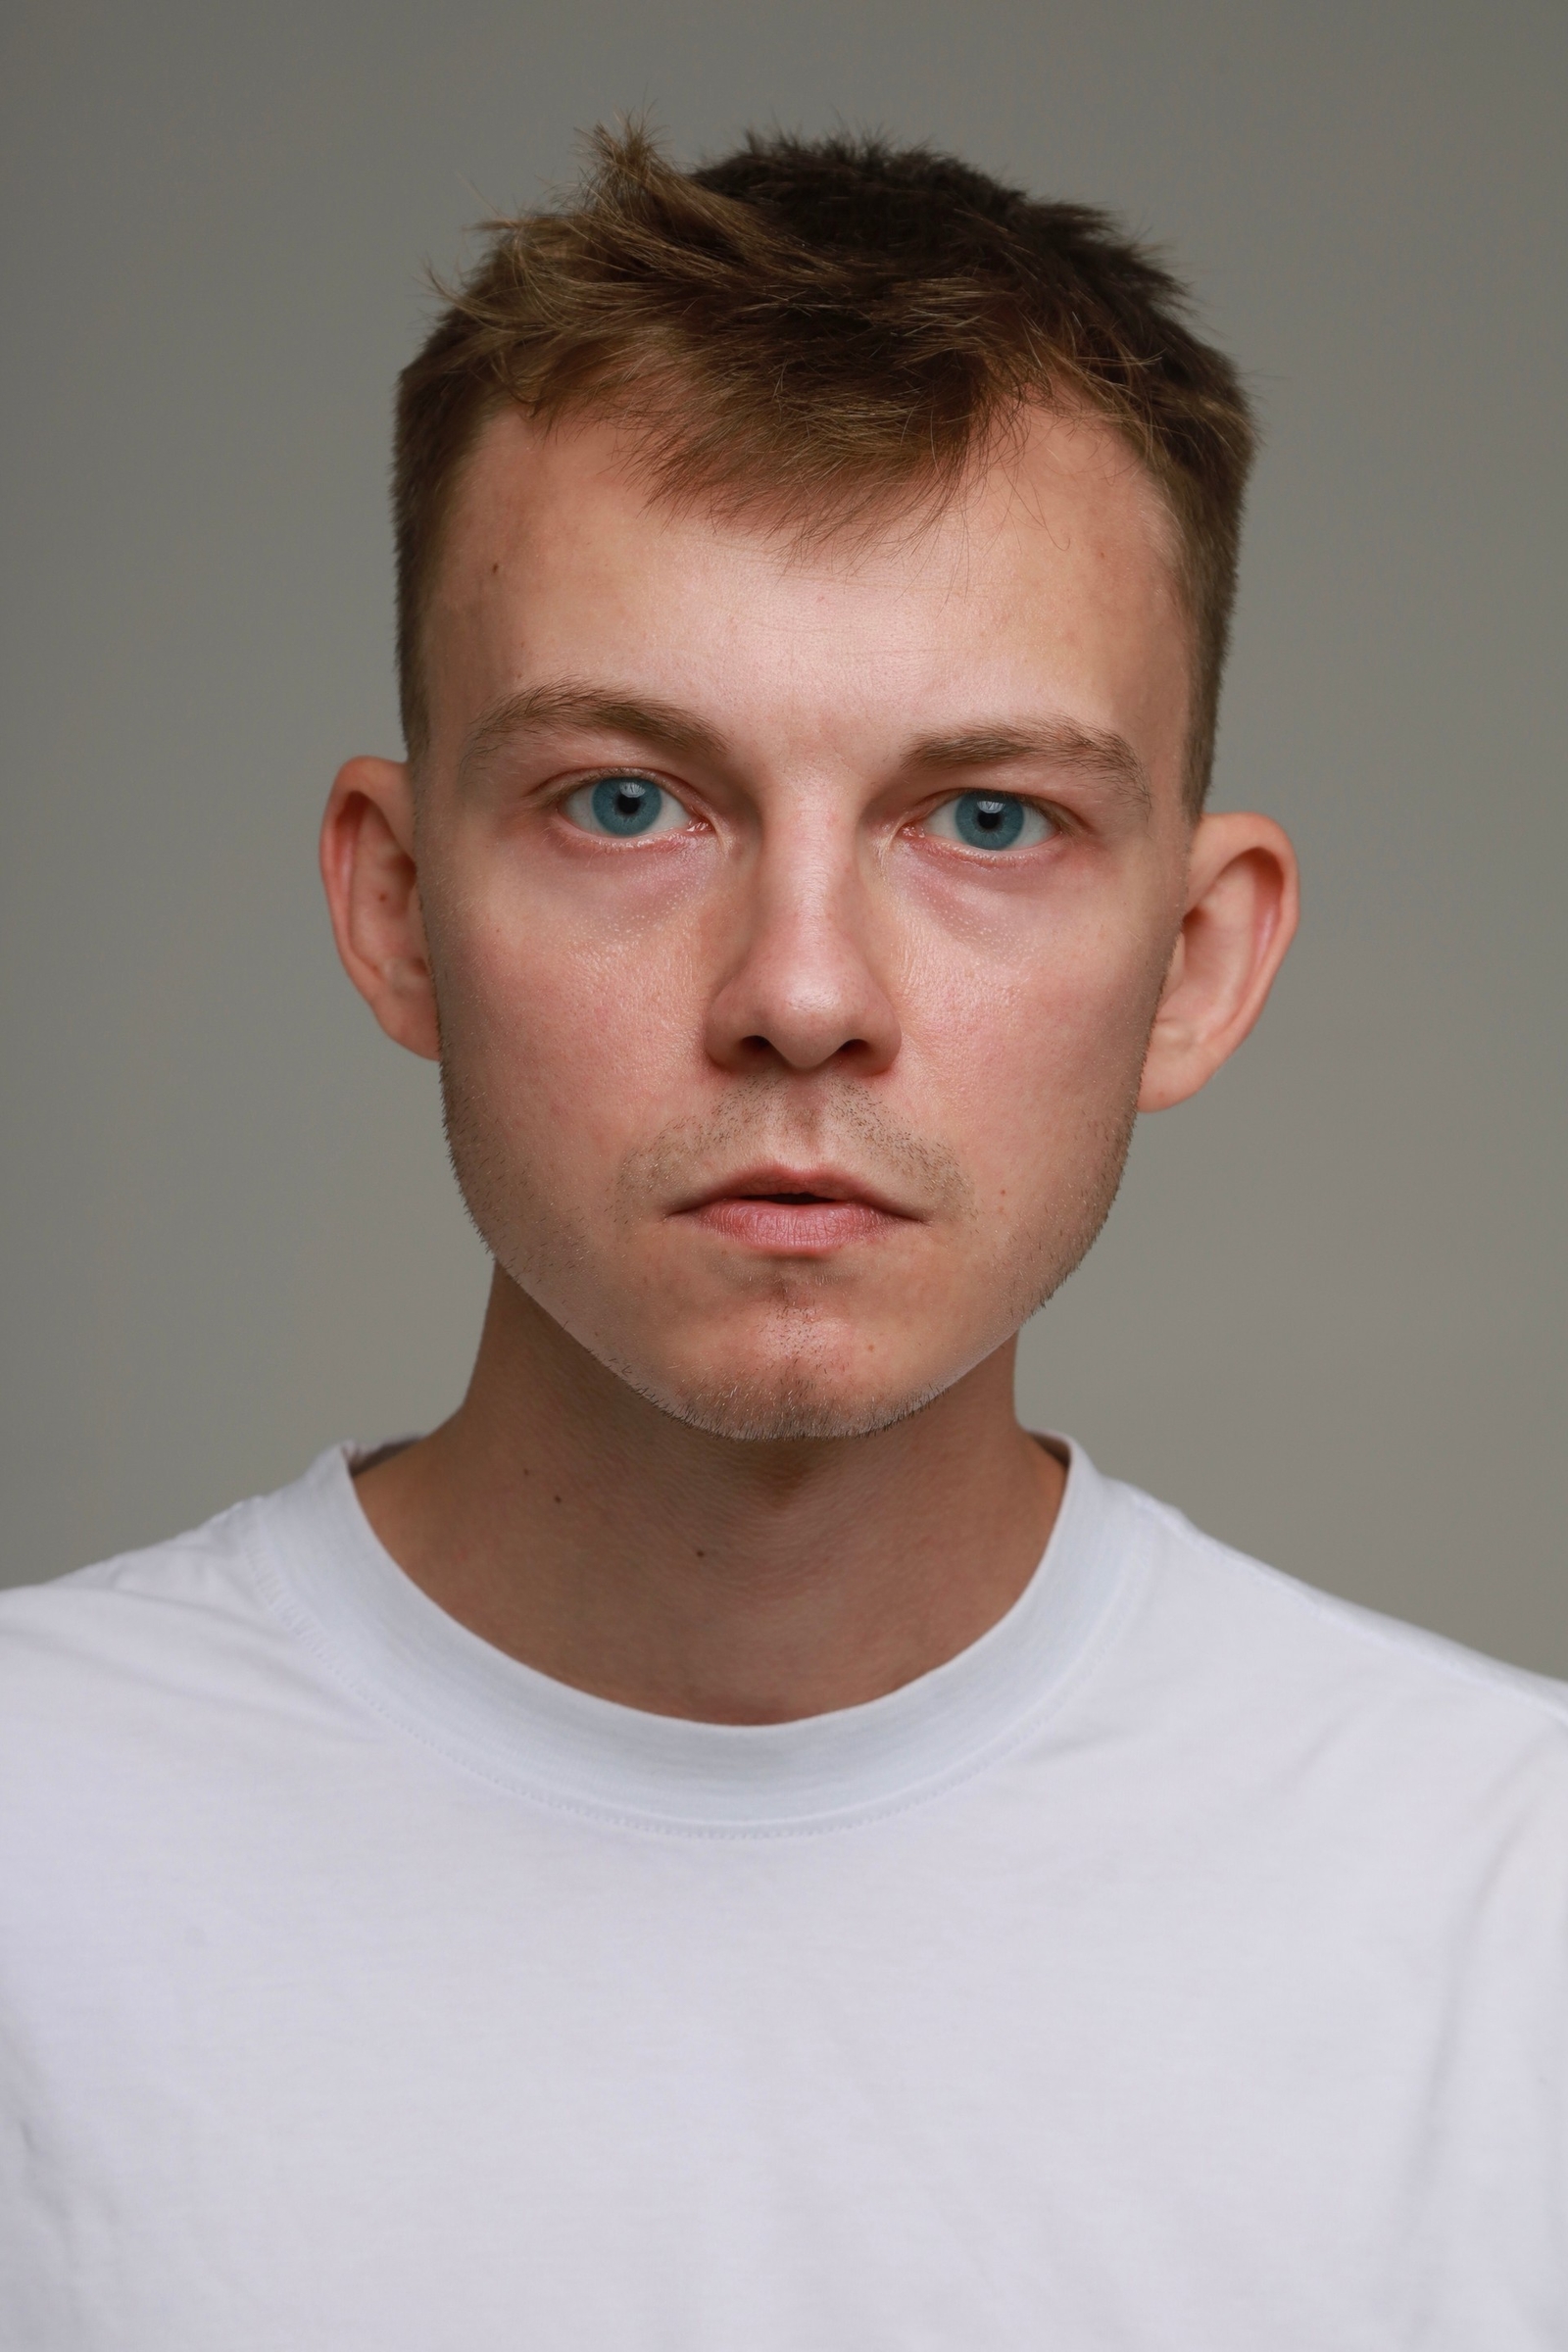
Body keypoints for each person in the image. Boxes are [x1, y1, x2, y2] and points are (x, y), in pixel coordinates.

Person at [2, 124, 1562, 2351]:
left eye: (988, 817)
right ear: (398, 905)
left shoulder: (1511, 1916)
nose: (802, 992)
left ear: (1198, 961)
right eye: (628, 801)